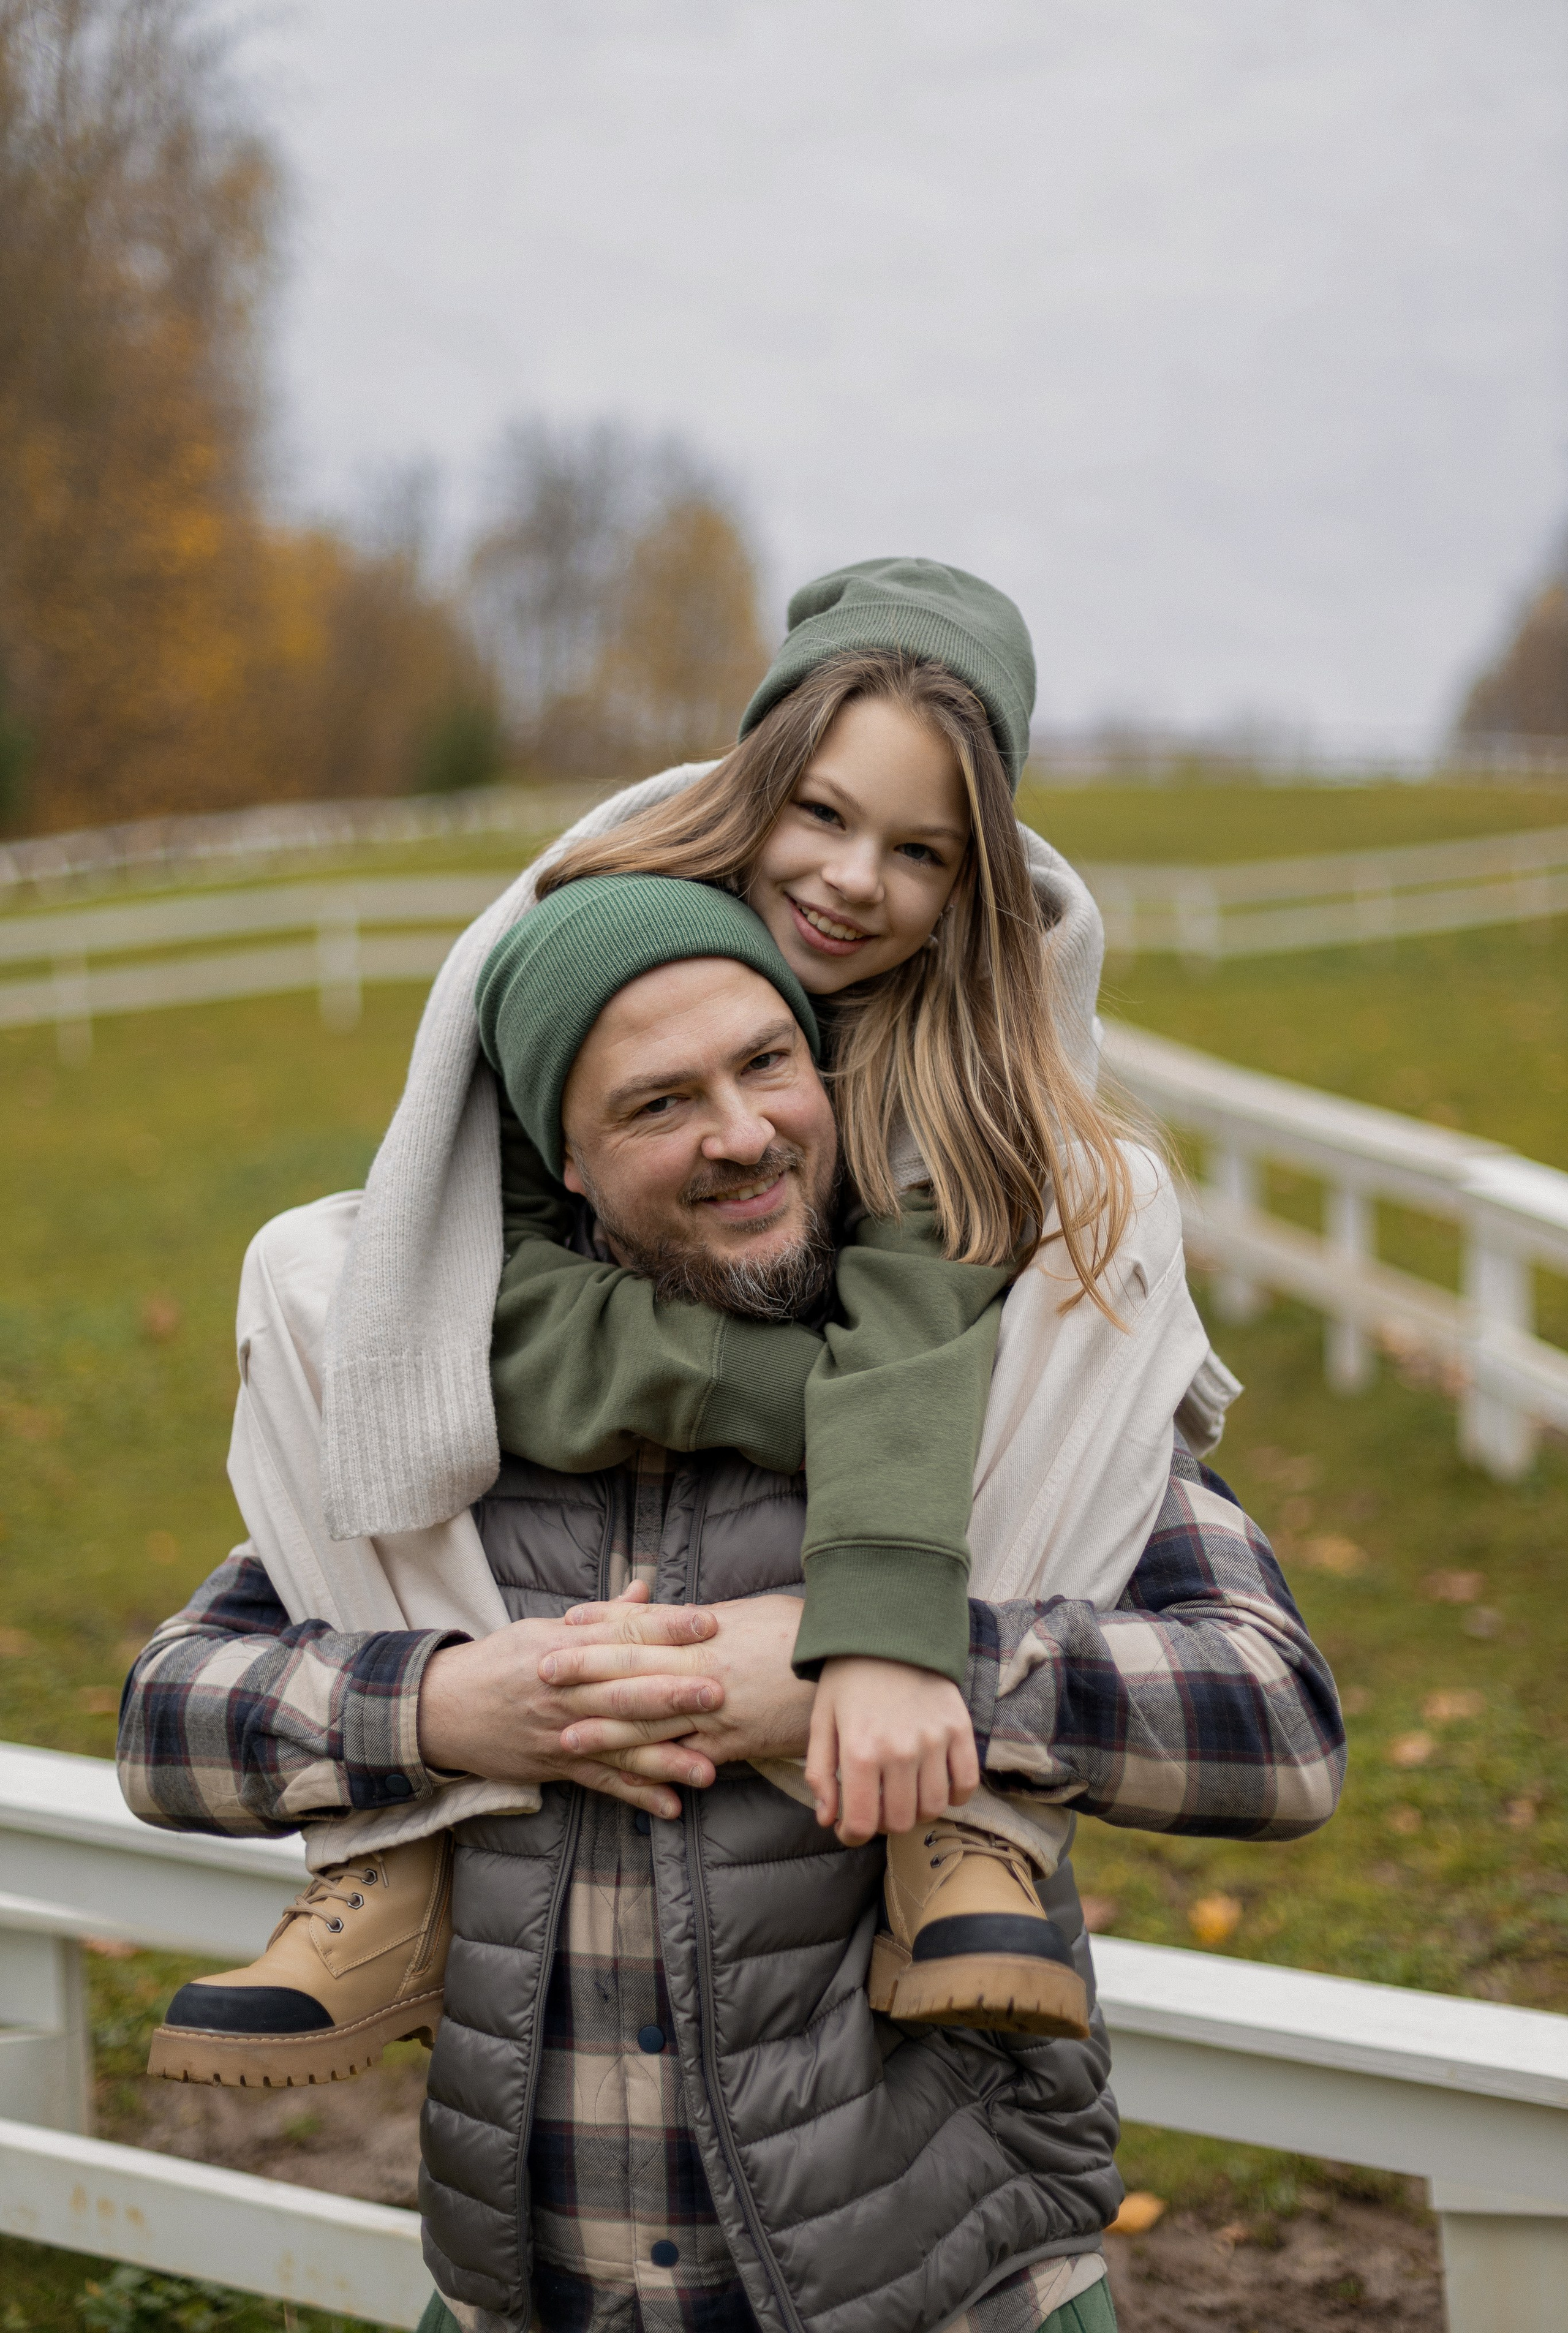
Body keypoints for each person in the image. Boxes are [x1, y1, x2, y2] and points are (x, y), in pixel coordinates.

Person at [119, 926, 1345, 2333]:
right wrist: (447, 1709)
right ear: (558, 1156)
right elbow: (168, 1716)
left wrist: (869, 1661)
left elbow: (1275, 1722)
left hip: (947, 2311)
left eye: (768, 1064)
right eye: (657, 1102)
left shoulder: (985, 1371)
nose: (743, 1133)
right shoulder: (441, 1406)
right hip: (531, 2311)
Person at [159, 559, 1245, 2068]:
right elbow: (474, 1266)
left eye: (919, 851)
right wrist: (789, 1388)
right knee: (300, 1259)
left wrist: (872, 1637)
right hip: (625, 1439)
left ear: (967, 886)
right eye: (823, 815)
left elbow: (925, 1346)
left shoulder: (960, 1054)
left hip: (931, 1518)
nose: (856, 880)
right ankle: (390, 1852)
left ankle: (967, 1831)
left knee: (1105, 1195)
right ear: (756, 788)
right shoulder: (583, 948)